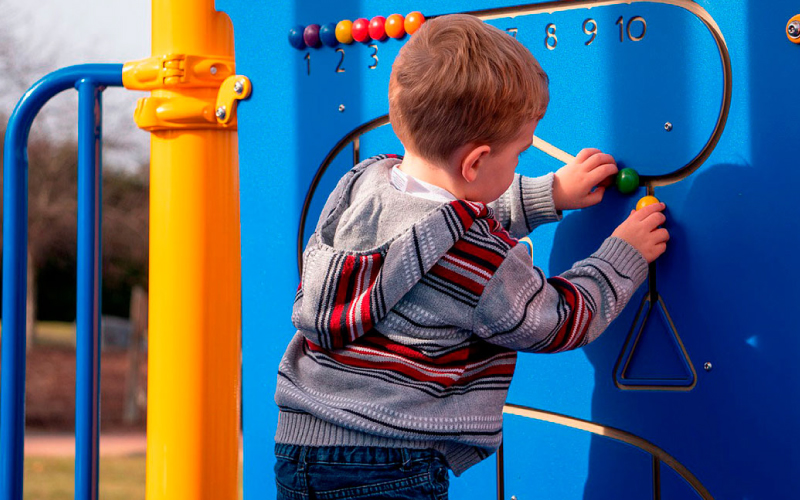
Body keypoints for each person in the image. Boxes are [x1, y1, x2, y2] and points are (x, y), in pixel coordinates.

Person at [274, 13, 668, 500]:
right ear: (477, 161)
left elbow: (435, 230)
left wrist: (550, 194)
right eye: (519, 153)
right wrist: (622, 255)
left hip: (303, 446)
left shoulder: (364, 183)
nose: (521, 160)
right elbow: (556, 320)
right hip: (392, 461)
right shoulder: (471, 257)